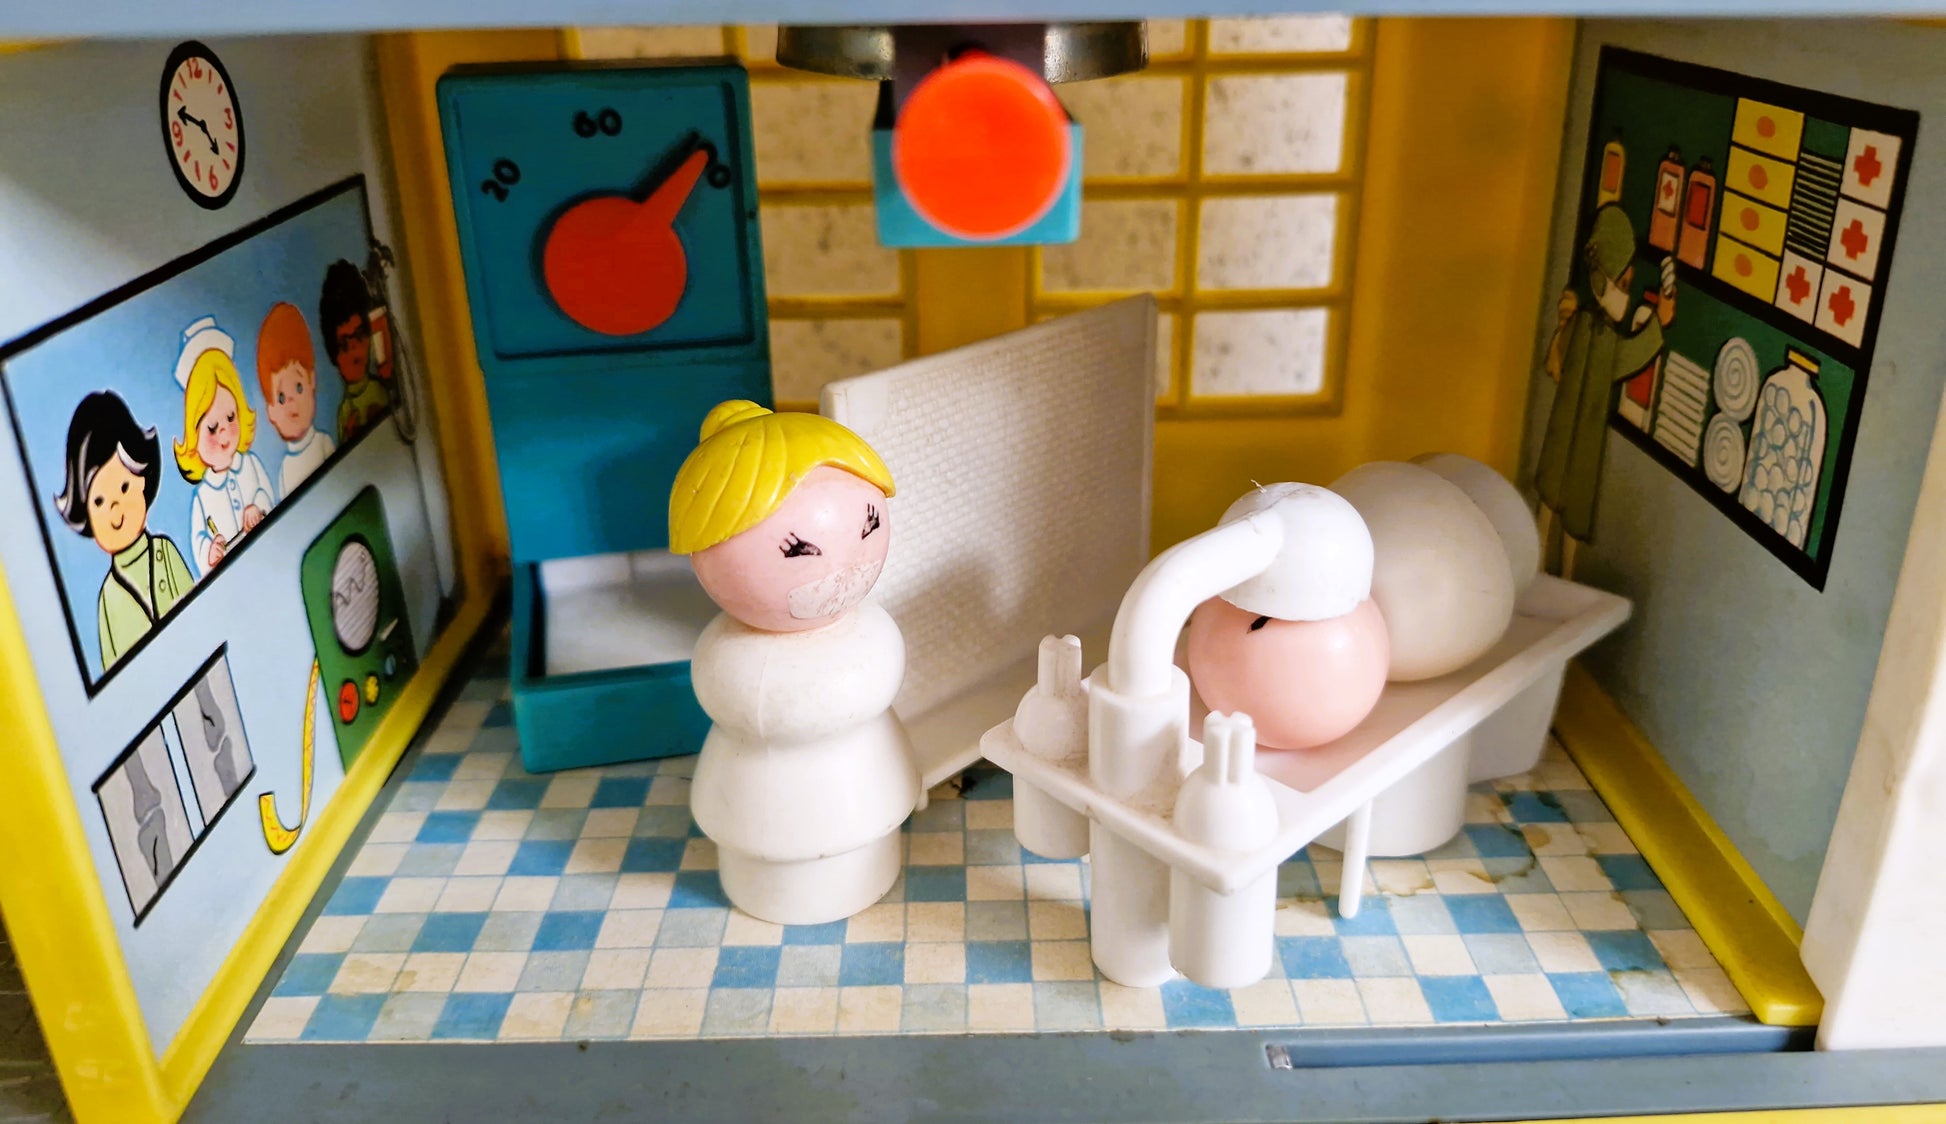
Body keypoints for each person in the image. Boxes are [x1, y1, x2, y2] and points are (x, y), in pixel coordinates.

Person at [668, 401, 921, 925]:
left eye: (870, 522)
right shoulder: (731, 656)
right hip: (757, 816)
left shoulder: (869, 631)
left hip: (868, 797)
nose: (844, 565)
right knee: (777, 837)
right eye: (797, 550)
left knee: (866, 821)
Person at [1535, 202, 1678, 576]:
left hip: (1574, 434)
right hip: (1577, 434)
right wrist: (1659, 324)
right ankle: (1553, 571)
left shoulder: (1587, 324)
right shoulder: (1595, 331)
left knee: (1561, 505)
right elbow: (1626, 358)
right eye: (1624, 284)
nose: (1626, 295)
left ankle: (1559, 573)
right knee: (1562, 502)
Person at [53, 390, 195, 671]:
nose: (115, 510)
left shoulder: (164, 553)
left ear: (142, 479)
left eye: (124, 487)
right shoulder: (109, 597)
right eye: (99, 501)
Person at [173, 317, 275, 576]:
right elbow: (198, 539)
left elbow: (267, 493)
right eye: (211, 427)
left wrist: (258, 506)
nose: (223, 433)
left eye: (230, 417)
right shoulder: (203, 495)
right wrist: (210, 552)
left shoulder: (250, 464)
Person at [256, 301, 337, 497]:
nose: (292, 402)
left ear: (312, 381)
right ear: (270, 411)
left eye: (298, 387)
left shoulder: (323, 443)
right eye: (281, 397)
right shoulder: (285, 468)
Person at [319, 260, 391, 444]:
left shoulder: (380, 390)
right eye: (344, 344)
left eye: (359, 336)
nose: (354, 351)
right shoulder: (344, 413)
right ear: (333, 353)